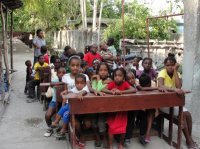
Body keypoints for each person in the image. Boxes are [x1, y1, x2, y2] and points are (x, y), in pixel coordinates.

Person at [158, 55, 199, 149]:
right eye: (168, 65)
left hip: (174, 103)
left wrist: (176, 71)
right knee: (183, 115)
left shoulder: (177, 73)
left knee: (188, 114)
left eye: (172, 65)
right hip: (164, 103)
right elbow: (160, 86)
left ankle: (189, 136)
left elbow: (179, 86)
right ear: (165, 66)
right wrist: (174, 90)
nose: (170, 67)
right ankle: (189, 141)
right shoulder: (162, 73)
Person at [102, 68, 136, 149]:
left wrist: (121, 92)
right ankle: (110, 145)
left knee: (123, 129)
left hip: (123, 111)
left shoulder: (125, 84)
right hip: (113, 111)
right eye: (115, 75)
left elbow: (133, 89)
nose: (117, 77)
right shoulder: (112, 84)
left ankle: (121, 144)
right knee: (111, 129)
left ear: (124, 77)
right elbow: (103, 89)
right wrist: (112, 92)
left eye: (120, 76)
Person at [51, 74, 90, 140]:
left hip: (79, 108)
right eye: (77, 83)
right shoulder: (75, 88)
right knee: (64, 110)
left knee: (66, 112)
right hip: (72, 106)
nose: (79, 85)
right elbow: (71, 91)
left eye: (81, 83)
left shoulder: (85, 88)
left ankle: (62, 128)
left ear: (85, 83)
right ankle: (57, 123)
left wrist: (80, 93)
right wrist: (66, 91)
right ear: (75, 83)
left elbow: (84, 91)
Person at [91, 62, 112, 148]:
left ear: (108, 72)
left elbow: (100, 90)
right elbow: (94, 90)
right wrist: (98, 80)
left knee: (101, 123)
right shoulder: (95, 80)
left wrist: (99, 79)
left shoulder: (110, 80)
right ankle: (97, 137)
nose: (103, 72)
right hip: (93, 106)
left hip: (104, 107)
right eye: (100, 70)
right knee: (94, 123)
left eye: (105, 70)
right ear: (97, 71)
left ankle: (104, 139)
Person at [44, 67, 66, 137]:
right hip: (55, 101)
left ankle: (63, 128)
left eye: (63, 73)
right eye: (59, 73)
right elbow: (51, 84)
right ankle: (51, 127)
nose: (61, 74)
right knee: (47, 115)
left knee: (65, 116)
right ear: (57, 74)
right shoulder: (55, 80)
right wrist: (62, 83)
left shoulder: (67, 80)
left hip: (65, 102)